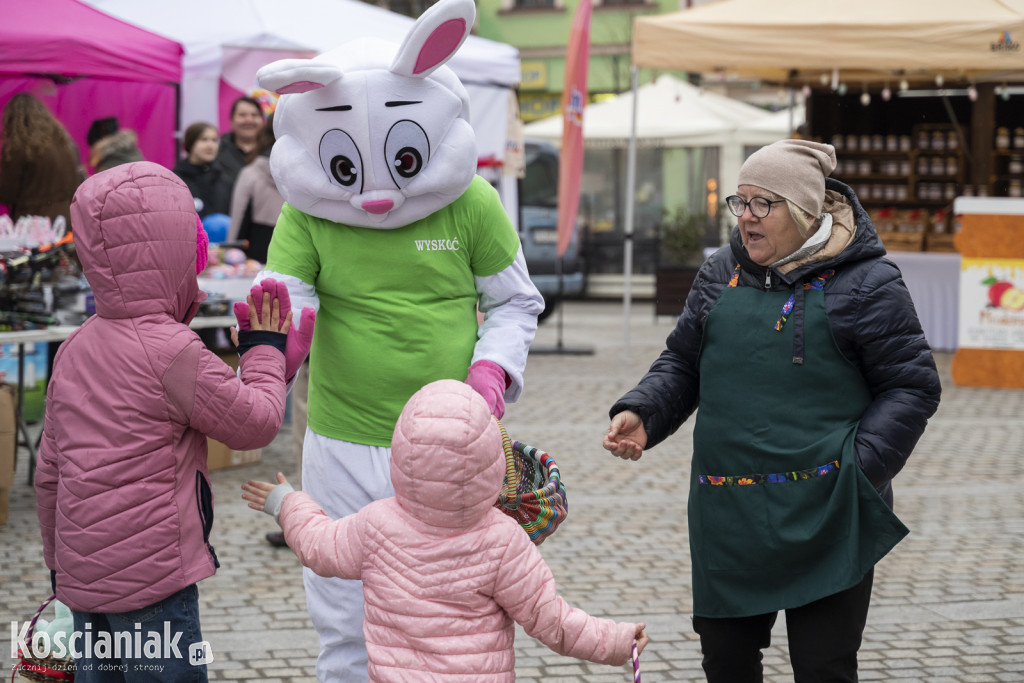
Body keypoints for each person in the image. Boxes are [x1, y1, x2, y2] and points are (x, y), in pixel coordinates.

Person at [250, 0, 544, 678]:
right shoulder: (309, 211)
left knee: (451, 608)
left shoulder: (471, 202)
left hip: (453, 444)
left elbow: (513, 300)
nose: (377, 196)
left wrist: (492, 371)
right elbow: (283, 297)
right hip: (343, 436)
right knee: (343, 610)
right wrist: (281, 348)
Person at [603, 139, 941, 682]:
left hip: (828, 508)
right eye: (742, 202)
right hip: (729, 511)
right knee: (727, 663)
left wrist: (857, 469)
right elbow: (683, 361)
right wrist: (646, 411)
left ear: (806, 213)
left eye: (765, 203)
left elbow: (912, 386)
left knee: (823, 667)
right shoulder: (720, 273)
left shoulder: (868, 283)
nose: (748, 218)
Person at [34, 161, 303, 682]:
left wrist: (57, 564)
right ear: (176, 252)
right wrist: (265, 350)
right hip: (155, 584)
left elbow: (50, 470)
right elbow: (256, 424)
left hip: (82, 583)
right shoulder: (172, 349)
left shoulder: (72, 348)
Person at [243, 379, 648, 681]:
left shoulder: (376, 523)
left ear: (401, 451)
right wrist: (618, 641)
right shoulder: (503, 539)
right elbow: (552, 621)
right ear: (494, 460)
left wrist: (286, 502)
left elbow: (318, 545)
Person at [0, 93, 82, 222]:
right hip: (67, 217)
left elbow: (7, 194)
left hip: (33, 223)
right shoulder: (65, 142)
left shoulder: (18, 147)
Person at [228, 113, 283, 263]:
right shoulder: (307, 175)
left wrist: (230, 253)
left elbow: (238, 218)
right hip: (294, 250)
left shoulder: (251, 172)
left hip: (254, 254)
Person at [172, 121, 233, 219]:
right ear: (190, 143)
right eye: (204, 139)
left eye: (214, 140)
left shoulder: (224, 180)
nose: (210, 145)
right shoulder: (175, 181)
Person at [215, 96, 264, 186]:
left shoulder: (273, 152)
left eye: (254, 115)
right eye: (242, 115)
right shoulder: (217, 154)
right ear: (232, 121)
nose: (249, 120)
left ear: (262, 120)